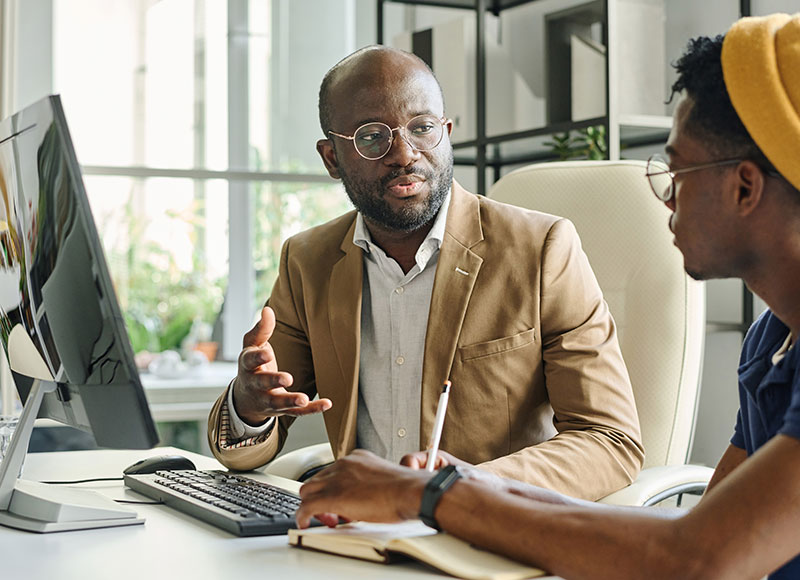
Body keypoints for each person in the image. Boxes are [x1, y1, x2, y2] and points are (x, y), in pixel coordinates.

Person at [295, 12, 800, 580]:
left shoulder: (539, 247)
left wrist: (434, 493)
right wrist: (447, 489)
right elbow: (700, 534)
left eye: (677, 172)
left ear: (746, 186)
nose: (665, 198)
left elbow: (698, 558)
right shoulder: (772, 341)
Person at [207, 44, 643, 500]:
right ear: (332, 157)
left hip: (486, 534)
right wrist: (250, 406)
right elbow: (241, 452)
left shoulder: (542, 249)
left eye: (422, 128)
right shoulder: (307, 260)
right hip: (356, 536)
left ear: (447, 133)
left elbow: (611, 442)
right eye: (372, 137)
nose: (404, 153)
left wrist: (462, 486)